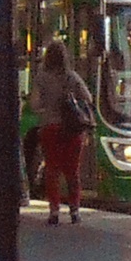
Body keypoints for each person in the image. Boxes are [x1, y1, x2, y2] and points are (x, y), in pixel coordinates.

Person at [31, 40, 95, 225]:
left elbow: (35, 104)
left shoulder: (41, 78)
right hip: (72, 129)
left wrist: (46, 109)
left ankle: (54, 211)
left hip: (50, 128)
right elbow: (88, 98)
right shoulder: (72, 77)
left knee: (52, 170)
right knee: (72, 172)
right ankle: (75, 210)